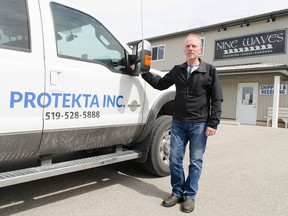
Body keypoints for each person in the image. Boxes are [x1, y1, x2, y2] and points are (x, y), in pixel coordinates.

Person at [141, 34, 223, 213]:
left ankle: (190, 195)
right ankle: (177, 192)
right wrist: (144, 72)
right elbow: (161, 84)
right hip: (178, 122)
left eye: (194, 46)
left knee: (195, 161)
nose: (191, 48)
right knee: (174, 159)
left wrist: (213, 123)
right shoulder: (178, 70)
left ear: (200, 49)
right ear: (184, 49)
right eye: (188, 46)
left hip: (199, 125)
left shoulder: (209, 71)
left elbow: (217, 99)